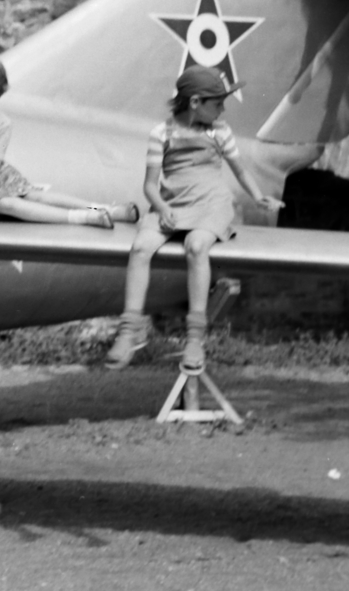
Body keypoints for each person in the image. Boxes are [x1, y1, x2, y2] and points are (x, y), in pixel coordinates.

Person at [105, 66, 283, 370]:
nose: (223, 109)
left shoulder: (220, 132)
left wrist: (258, 196)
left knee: (197, 246)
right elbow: (149, 185)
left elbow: (239, 170)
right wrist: (162, 208)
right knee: (141, 248)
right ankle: (129, 328)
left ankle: (195, 337)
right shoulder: (161, 133)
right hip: (173, 202)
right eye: (218, 103)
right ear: (195, 102)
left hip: (211, 203)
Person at [0, 52, 134, 228]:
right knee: (9, 204)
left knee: (36, 196)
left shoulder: (2, 122)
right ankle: (84, 217)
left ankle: (107, 209)